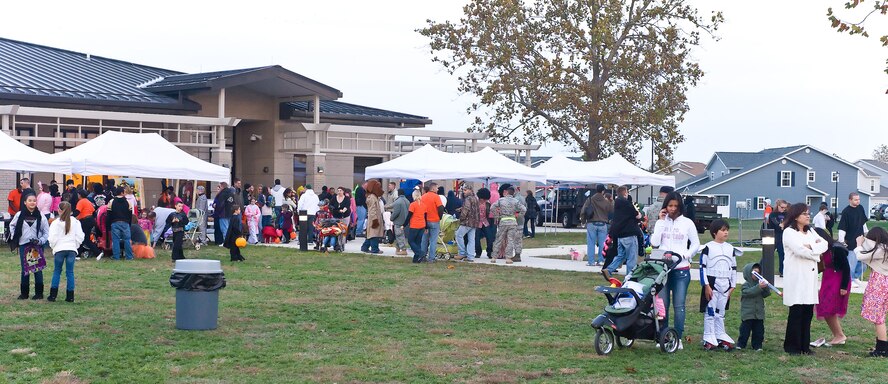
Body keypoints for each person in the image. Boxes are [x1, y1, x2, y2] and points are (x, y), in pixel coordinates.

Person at [650, 191, 700, 348]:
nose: (672, 209)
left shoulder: (687, 223)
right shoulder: (661, 222)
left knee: (679, 305)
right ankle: (664, 336)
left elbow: (696, 244)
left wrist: (686, 255)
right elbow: (655, 242)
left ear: (680, 207)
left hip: (680, 268)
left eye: (675, 206)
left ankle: (677, 337)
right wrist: (661, 222)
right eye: (669, 205)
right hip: (663, 268)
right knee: (662, 305)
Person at [781, 202, 828, 355]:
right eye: (804, 213)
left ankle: (804, 346)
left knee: (808, 312)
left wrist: (812, 247)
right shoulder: (789, 232)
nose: (808, 216)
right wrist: (814, 250)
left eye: (808, 213)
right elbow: (800, 251)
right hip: (796, 277)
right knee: (796, 312)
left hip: (810, 278)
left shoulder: (811, 232)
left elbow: (825, 245)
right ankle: (792, 347)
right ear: (795, 216)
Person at [698, 219, 739, 350]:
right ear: (715, 232)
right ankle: (708, 336)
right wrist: (706, 285)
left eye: (727, 230)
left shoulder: (730, 248)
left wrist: (732, 285)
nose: (726, 232)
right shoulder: (708, 247)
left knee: (720, 312)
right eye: (722, 230)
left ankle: (720, 335)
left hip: (725, 283)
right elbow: (702, 267)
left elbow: (733, 267)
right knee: (710, 311)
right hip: (712, 282)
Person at [813, 228, 850, 347]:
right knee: (824, 306)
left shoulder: (836, 249)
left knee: (829, 306)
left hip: (838, 279)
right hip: (828, 278)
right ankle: (838, 334)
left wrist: (843, 287)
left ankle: (839, 335)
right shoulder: (822, 250)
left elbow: (846, 268)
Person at [855, 227, 888, 357]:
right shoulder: (884, 249)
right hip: (883, 283)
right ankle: (882, 347)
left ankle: (882, 349)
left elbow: (860, 255)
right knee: (880, 317)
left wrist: (859, 243)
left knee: (878, 318)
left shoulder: (881, 250)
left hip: (880, 284)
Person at [10, 193, 49, 300]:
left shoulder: (40, 215)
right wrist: (16, 237)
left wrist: (40, 241)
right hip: (24, 245)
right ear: (25, 202)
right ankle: (24, 293)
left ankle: (39, 293)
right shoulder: (19, 215)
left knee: (37, 269)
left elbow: (46, 232)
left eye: (34, 201)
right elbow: (12, 226)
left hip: (36, 246)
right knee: (25, 269)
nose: (32, 203)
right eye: (30, 200)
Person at [47, 201, 83, 302]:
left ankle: (53, 295)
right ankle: (70, 296)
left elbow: (52, 238)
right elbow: (80, 236)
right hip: (71, 249)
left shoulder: (55, 223)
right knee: (70, 272)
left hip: (59, 249)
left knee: (57, 271)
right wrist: (75, 245)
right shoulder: (75, 222)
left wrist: (53, 247)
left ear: (59, 210)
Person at [605, 186, 644, 275]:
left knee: (620, 255)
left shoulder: (617, 204)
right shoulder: (627, 204)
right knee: (631, 257)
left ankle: (609, 269)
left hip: (620, 235)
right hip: (629, 234)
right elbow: (636, 215)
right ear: (625, 193)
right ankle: (629, 276)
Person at [737, 262, 771, 351]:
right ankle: (741, 344)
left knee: (759, 331)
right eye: (754, 273)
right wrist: (758, 287)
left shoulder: (760, 284)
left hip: (758, 313)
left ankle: (757, 345)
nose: (756, 275)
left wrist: (766, 287)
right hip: (748, 313)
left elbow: (766, 294)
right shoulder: (746, 284)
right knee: (745, 330)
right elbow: (747, 293)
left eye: (758, 273)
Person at [490, 184, 526, 264]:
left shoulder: (501, 200)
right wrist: (518, 215)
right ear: (513, 193)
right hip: (513, 222)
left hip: (503, 221)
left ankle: (494, 257)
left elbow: (492, 207)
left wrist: (497, 215)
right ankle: (508, 258)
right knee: (510, 240)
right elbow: (524, 209)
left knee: (499, 239)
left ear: (506, 192)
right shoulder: (516, 201)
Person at [839, 192, 868, 288]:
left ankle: (855, 277)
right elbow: (842, 228)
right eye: (855, 200)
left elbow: (863, 223)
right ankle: (849, 280)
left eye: (859, 199)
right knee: (851, 263)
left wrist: (867, 234)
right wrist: (841, 241)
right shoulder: (846, 212)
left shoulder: (861, 208)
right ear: (850, 200)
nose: (858, 201)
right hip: (850, 242)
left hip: (861, 240)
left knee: (863, 264)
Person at [581, 184, 613, 266]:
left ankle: (591, 261)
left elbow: (583, 210)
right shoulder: (606, 201)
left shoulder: (590, 199)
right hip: (603, 224)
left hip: (591, 223)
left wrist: (583, 221)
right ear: (603, 191)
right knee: (602, 243)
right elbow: (611, 209)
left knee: (591, 243)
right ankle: (601, 260)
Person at [454, 185, 480, 262]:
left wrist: (461, 218)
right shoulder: (475, 198)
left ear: (470, 190)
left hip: (467, 222)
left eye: (465, 190)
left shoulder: (468, 199)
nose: (463, 192)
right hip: (475, 222)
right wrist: (460, 209)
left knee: (458, 235)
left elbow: (466, 209)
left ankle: (462, 253)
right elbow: (472, 208)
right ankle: (470, 256)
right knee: (471, 239)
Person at [420, 181, 445, 261]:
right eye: (437, 188)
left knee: (424, 240)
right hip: (434, 220)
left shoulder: (423, 197)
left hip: (425, 221)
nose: (437, 189)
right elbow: (441, 207)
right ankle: (431, 258)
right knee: (433, 240)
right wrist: (439, 216)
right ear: (433, 188)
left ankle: (422, 256)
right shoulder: (436, 197)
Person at [75, 189, 102, 259]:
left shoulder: (81, 202)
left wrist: (69, 216)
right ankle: (77, 254)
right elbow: (94, 213)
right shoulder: (88, 201)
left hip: (85, 221)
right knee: (83, 237)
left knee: (85, 238)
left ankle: (98, 252)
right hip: (90, 220)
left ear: (80, 195)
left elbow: (77, 212)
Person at [109, 187, 134, 261]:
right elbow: (130, 214)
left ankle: (116, 257)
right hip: (125, 223)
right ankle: (129, 257)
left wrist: (109, 224)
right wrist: (129, 224)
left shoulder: (111, 201)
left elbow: (109, 214)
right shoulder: (127, 201)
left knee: (115, 240)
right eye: (124, 192)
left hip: (115, 223)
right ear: (122, 193)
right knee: (127, 239)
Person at [361, 180, 385, 254]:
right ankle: (375, 249)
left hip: (375, 218)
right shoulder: (372, 197)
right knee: (374, 234)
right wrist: (375, 220)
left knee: (371, 234)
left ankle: (364, 247)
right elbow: (372, 210)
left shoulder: (373, 196)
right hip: (374, 219)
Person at [767, 199, 788, 277]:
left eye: (785, 208)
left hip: (782, 236)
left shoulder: (786, 214)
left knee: (782, 253)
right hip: (773, 235)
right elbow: (775, 222)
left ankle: (782, 271)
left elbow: (788, 221)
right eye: (782, 207)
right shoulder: (773, 214)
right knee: (768, 253)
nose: (783, 209)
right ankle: (760, 268)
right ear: (778, 206)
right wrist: (780, 224)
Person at [405, 189, 427, 263]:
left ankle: (420, 253)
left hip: (414, 225)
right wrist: (426, 227)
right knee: (418, 242)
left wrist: (404, 224)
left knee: (411, 241)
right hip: (422, 225)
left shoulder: (413, 205)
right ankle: (416, 259)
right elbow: (425, 217)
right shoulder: (424, 205)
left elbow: (409, 216)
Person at [474, 187, 496, 259]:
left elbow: (490, 213)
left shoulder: (488, 204)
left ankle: (489, 252)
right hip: (477, 222)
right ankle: (478, 252)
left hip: (486, 222)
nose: (484, 200)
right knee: (476, 238)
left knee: (490, 237)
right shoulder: (475, 203)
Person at [389, 189, 410, 256]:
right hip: (405, 222)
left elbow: (396, 212)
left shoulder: (398, 201)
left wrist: (391, 218)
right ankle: (398, 248)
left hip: (398, 222)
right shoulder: (407, 201)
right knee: (400, 235)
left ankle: (403, 249)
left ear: (398, 193)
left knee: (399, 235)